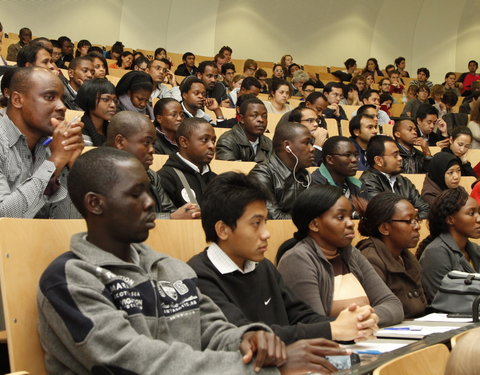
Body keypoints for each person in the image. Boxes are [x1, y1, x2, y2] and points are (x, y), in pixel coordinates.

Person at [37, 146, 315, 375]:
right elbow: (131, 363)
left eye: (148, 191)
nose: (150, 203)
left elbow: (213, 330)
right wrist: (269, 369)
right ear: (95, 204)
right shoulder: (70, 279)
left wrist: (249, 339)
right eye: (135, 194)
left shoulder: (169, 267)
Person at [188, 172, 380, 346]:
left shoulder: (262, 267)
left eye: (265, 222)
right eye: (256, 224)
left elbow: (301, 315)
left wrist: (353, 323)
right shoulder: (198, 276)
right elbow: (247, 336)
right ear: (223, 230)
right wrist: (334, 329)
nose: (266, 234)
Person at [276, 185, 404, 326]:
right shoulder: (297, 260)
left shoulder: (352, 254)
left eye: (350, 216)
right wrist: (358, 322)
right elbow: (314, 324)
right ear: (314, 224)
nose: (350, 223)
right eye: (340, 217)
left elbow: (393, 305)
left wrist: (366, 319)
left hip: (366, 338)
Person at [0, 67, 84, 218]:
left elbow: (64, 222)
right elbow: (4, 218)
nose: (62, 107)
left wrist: (72, 168)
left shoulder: (51, 146)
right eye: (49, 97)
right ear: (17, 100)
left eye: (63, 99)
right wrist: (55, 161)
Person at [106, 112, 199, 219]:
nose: (152, 150)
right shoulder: (96, 173)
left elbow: (169, 210)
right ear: (120, 142)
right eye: (146, 142)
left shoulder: (151, 176)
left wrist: (187, 212)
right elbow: (116, 219)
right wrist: (171, 217)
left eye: (153, 144)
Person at [357, 193, 427, 318]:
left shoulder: (407, 257)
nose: (417, 226)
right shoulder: (370, 259)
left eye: (416, 219)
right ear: (384, 228)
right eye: (409, 221)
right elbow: (374, 313)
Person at [417, 187, 480, 303]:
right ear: (450, 219)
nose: (479, 218)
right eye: (471, 213)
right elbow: (442, 301)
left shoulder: (475, 250)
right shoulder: (435, 253)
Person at [249, 122, 313, 219]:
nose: (312, 148)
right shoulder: (262, 174)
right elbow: (273, 217)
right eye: (306, 143)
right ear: (287, 146)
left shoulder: (305, 175)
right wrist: (307, 221)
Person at [360, 135, 430, 218]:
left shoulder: (404, 181)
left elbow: (426, 210)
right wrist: (410, 214)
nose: (400, 158)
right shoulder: (367, 182)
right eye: (395, 155)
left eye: (399, 154)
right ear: (379, 160)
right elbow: (382, 214)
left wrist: (410, 217)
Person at [158, 118, 217, 208]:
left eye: (213, 141)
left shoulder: (217, 180)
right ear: (184, 142)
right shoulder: (164, 178)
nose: (212, 146)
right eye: (205, 140)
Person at [311, 136, 368, 203]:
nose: (354, 160)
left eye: (356, 155)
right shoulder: (314, 185)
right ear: (330, 159)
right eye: (347, 155)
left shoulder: (359, 186)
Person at [216, 98, 272, 162]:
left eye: (264, 116)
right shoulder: (227, 141)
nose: (261, 120)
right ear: (241, 119)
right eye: (254, 115)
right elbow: (228, 169)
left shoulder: (268, 143)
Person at [75, 78, 116, 146]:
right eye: (106, 99)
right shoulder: (80, 133)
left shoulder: (112, 130)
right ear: (89, 99)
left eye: (115, 100)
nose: (113, 105)